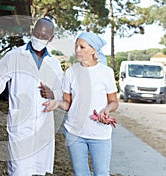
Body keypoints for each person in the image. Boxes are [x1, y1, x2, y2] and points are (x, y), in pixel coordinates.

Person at [0, 18, 63, 176]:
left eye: (44, 36)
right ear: (31, 32)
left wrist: (53, 94)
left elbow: (62, 91)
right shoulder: (14, 56)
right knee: (19, 170)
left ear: (51, 38)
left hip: (44, 126)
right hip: (20, 125)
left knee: (40, 171)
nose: (39, 38)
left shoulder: (54, 63)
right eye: (37, 34)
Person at [43, 31, 119, 176]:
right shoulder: (71, 72)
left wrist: (107, 110)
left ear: (93, 50)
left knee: (101, 173)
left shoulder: (106, 72)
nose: (77, 50)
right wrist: (57, 103)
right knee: (80, 173)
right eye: (76, 46)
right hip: (74, 133)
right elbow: (68, 104)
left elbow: (114, 102)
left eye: (82, 47)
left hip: (99, 134)